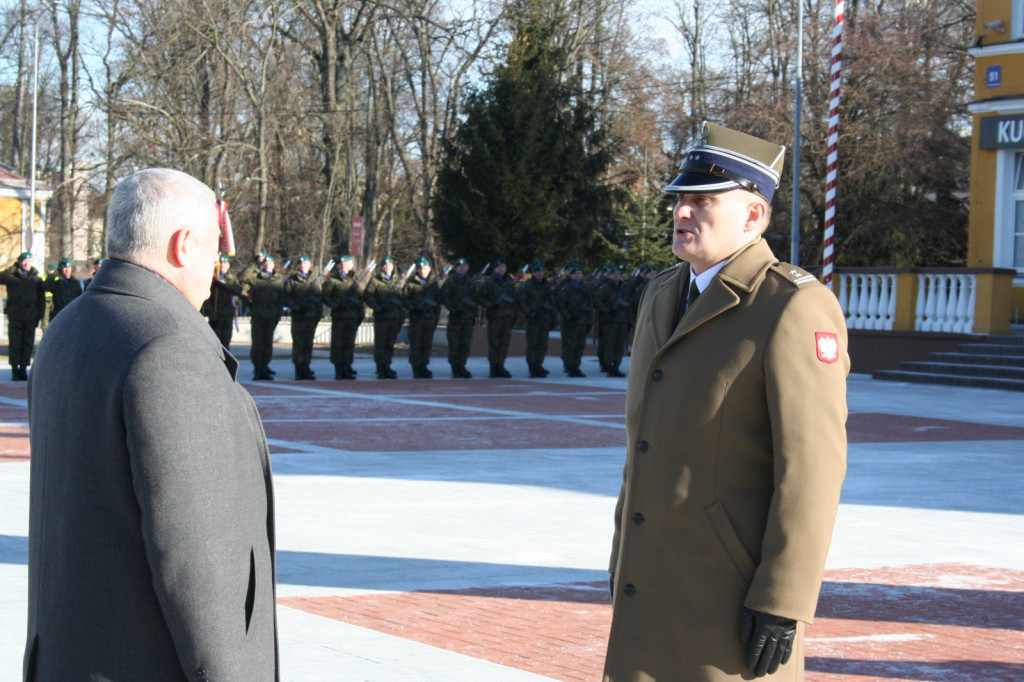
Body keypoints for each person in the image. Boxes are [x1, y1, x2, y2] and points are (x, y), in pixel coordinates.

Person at [604, 122, 849, 681]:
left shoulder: (790, 307)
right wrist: (623, 560)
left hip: (728, 597)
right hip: (649, 581)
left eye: (703, 201)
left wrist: (783, 599)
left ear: (754, 216)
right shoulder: (663, 293)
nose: (682, 213)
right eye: (679, 200)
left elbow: (812, 468)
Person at [24, 168, 279, 680]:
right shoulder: (170, 350)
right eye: (215, 250)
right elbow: (198, 563)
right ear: (183, 245)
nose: (218, 266)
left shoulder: (69, 327)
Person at [0, 252, 45, 381]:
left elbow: (41, 298)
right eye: (24, 261)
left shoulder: (36, 279)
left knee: (27, 343)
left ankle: (23, 368)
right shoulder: (12, 277)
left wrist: (39, 315)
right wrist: (13, 268)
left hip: (30, 316)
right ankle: (15, 369)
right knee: (15, 343)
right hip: (15, 315)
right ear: (19, 262)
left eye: (29, 261)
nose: (26, 264)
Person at [321, 255, 366, 380]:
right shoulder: (332, 281)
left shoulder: (356, 281)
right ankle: (338, 368)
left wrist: (360, 316)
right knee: (338, 344)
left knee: (349, 344)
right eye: (342, 264)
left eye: (347, 263)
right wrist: (335, 306)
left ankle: (347, 366)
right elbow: (324, 296)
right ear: (338, 266)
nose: (345, 265)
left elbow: (361, 299)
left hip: (352, 316)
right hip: (340, 316)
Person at [242, 253, 285, 380]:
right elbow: (243, 287)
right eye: (265, 263)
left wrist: (278, 313)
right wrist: (250, 304)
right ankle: (257, 369)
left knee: (268, 343)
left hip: (272, 316)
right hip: (258, 315)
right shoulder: (255, 278)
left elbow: (281, 299)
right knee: (257, 343)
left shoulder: (277, 280)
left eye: (270, 263)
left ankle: (265, 367)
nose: (268, 265)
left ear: (274, 265)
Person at [363, 256, 406, 379]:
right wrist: (378, 307)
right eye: (385, 265)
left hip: (394, 316)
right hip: (382, 317)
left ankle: (387, 365)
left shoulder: (398, 280)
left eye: (390, 265)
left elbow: (403, 295)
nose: (388, 267)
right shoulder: (375, 280)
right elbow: (368, 296)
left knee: (390, 343)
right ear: (381, 267)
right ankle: (380, 367)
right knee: (380, 343)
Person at [285, 254, 323, 380]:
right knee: (298, 343)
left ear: (310, 265)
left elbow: (319, 298)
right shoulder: (292, 280)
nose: (303, 265)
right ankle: (298, 369)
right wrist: (296, 307)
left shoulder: (315, 280)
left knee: (308, 343)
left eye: (306, 263)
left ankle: (306, 367)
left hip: (311, 316)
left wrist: (318, 315)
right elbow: (286, 297)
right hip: (299, 317)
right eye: (301, 263)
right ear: (298, 266)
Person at [476, 259, 516, 378]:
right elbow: (480, 297)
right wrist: (490, 304)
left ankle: (501, 366)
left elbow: (514, 300)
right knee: (494, 343)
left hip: (507, 317)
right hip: (495, 317)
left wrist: (513, 315)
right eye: (498, 267)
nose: (501, 269)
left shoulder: (509, 282)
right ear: (494, 269)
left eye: (503, 266)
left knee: (504, 343)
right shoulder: (489, 282)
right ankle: (493, 367)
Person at [403, 256, 441, 378]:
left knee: (426, 344)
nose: (423, 270)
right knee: (416, 344)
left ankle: (424, 365)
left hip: (429, 318)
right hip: (417, 319)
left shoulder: (434, 284)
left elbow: (438, 301)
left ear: (430, 269)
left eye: (425, 268)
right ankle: (416, 367)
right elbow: (404, 299)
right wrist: (413, 308)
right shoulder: (411, 283)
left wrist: (436, 317)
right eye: (420, 268)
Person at [517, 261, 556, 377]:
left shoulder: (547, 285)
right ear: (533, 273)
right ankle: (532, 367)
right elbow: (521, 301)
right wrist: (529, 313)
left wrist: (553, 318)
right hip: (533, 319)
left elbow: (552, 302)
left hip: (545, 318)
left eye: (541, 271)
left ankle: (539, 364)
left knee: (543, 344)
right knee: (532, 344)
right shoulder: (527, 285)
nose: (539, 274)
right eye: (537, 272)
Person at [440, 257, 476, 378]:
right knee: (454, 343)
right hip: (456, 317)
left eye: (465, 266)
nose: (462, 268)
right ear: (456, 268)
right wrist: (454, 310)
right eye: (460, 266)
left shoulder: (471, 280)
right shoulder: (450, 281)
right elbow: (445, 297)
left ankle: (462, 365)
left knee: (465, 343)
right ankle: (455, 367)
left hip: (468, 317)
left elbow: (475, 298)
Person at [593, 265, 630, 377]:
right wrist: (607, 311)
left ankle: (616, 365)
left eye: (618, 274)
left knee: (619, 345)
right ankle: (608, 366)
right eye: (614, 274)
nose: (616, 276)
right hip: (609, 320)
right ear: (609, 275)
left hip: (622, 320)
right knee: (609, 344)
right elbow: (596, 301)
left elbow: (629, 302)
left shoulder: (624, 287)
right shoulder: (604, 287)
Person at [555, 264, 592, 377]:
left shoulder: (585, 288)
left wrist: (588, 319)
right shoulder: (566, 288)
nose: (577, 276)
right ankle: (570, 366)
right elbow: (561, 304)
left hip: (583, 321)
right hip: (570, 321)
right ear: (570, 275)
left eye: (579, 274)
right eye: (575, 274)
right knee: (570, 345)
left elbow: (590, 303)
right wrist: (568, 316)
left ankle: (576, 366)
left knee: (579, 345)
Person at [201, 254, 243, 348]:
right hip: (216, 314)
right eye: (221, 263)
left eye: (225, 263)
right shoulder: (212, 278)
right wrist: (211, 313)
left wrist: (224, 286)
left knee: (226, 342)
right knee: (215, 343)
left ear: (229, 265)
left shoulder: (232, 278)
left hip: (228, 314)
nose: (223, 265)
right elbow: (206, 298)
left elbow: (238, 290)